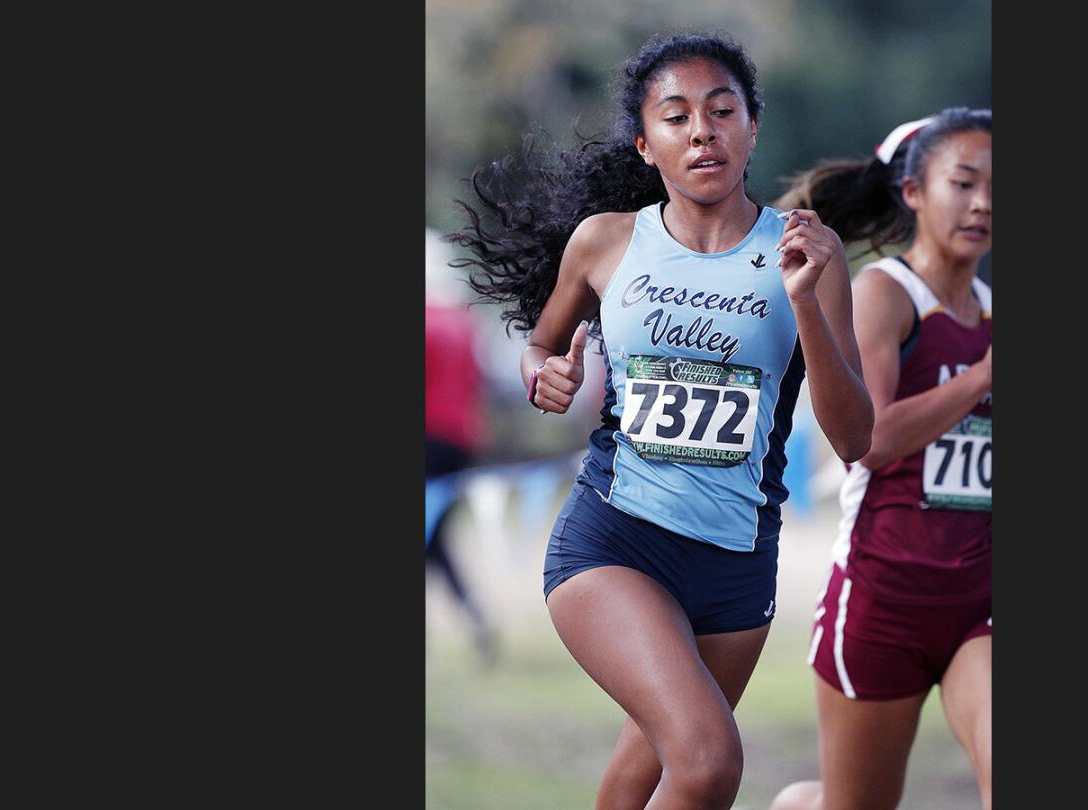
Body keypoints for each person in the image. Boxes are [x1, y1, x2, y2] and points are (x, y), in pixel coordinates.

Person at [448, 32, 874, 810]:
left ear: (753, 127)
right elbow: (543, 343)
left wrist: (806, 300)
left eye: (722, 110)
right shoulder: (607, 242)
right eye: (677, 117)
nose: (702, 131)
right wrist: (545, 373)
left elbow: (854, 440)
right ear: (648, 145)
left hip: (737, 565)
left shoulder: (808, 253)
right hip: (615, 541)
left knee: (644, 771)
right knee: (709, 762)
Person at [768, 108, 994, 810]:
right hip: (883, 603)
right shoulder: (883, 295)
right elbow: (871, 439)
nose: (984, 201)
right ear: (915, 192)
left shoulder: (991, 309)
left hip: (977, 607)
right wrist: (983, 377)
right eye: (964, 182)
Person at [424, 229, 498, 664]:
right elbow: (477, 383)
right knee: (434, 534)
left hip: (428, 435)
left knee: (432, 535)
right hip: (463, 439)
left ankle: (472, 615)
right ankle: (474, 615)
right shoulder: (465, 323)